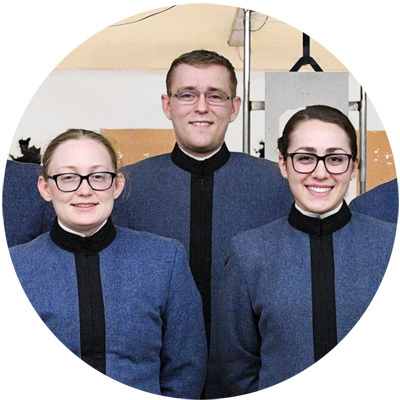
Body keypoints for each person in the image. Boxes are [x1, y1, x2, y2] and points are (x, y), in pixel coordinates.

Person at [207, 105, 396, 397]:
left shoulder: (389, 245)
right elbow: (236, 367)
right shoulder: (249, 252)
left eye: (335, 159)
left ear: (354, 166)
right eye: (305, 158)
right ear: (283, 164)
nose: (320, 173)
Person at [9, 129, 207, 399]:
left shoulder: (164, 259)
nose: (84, 190)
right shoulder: (15, 268)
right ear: (45, 187)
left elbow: (186, 367)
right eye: (68, 177)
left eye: (98, 176)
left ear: (117, 185)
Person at [114, 50, 294, 344]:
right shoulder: (127, 187)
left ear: (234, 107)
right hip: (152, 367)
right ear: (167, 105)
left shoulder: (276, 184)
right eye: (187, 95)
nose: (201, 107)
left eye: (215, 96)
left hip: (252, 367)